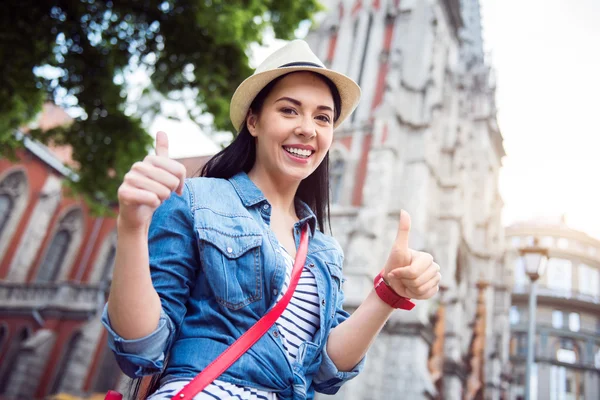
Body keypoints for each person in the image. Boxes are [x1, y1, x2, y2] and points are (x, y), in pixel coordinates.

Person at [102, 40, 441, 400]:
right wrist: (133, 228)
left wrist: (388, 293)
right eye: (290, 110)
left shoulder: (325, 249)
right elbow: (141, 349)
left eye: (322, 117)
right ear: (253, 120)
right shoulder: (196, 198)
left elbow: (326, 372)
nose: (308, 129)